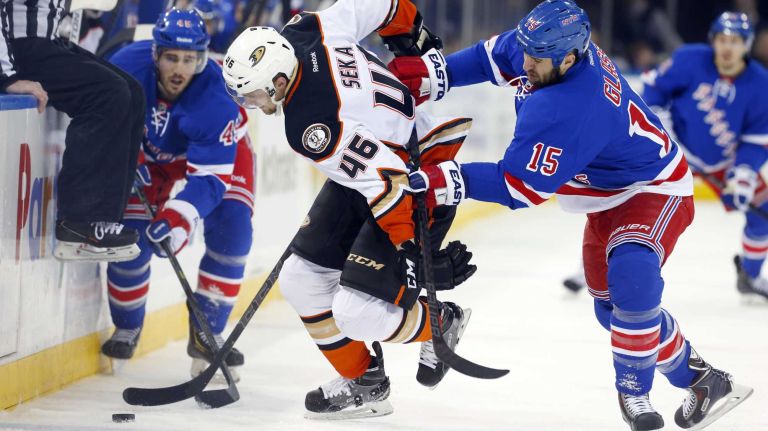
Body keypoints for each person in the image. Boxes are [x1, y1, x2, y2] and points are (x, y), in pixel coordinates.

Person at [389, 1, 753, 430]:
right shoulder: (545, 47)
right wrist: (434, 75)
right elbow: (490, 59)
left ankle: (634, 394)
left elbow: (519, 186)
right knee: (612, 312)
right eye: (526, 52)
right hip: (602, 195)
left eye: (536, 59)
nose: (525, 63)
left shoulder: (572, 105)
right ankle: (705, 381)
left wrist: (448, 177)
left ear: (569, 58)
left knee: (633, 277)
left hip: (652, 188)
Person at [222, 0, 477, 418]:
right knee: (300, 279)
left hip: (416, 182)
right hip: (379, 161)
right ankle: (365, 381)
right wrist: (409, 33)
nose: (250, 103)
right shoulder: (306, 30)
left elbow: (388, 183)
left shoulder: (311, 125)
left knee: (355, 314)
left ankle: (441, 322)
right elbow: (383, 4)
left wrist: (411, 249)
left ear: (279, 80)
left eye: (252, 94)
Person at [99, 8, 255, 382]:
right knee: (131, 239)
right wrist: (125, 157)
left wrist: (179, 220)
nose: (179, 70)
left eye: (189, 59)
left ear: (202, 58)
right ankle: (127, 325)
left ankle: (208, 334)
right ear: (156, 54)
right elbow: (100, 123)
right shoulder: (124, 68)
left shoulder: (217, 98)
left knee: (233, 230)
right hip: (150, 157)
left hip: (218, 156)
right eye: (171, 58)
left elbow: (210, 181)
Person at [0, 0, 144, 261]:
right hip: (19, 48)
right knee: (108, 94)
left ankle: (106, 220)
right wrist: (6, 75)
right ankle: (80, 221)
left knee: (133, 93)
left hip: (46, 40)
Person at [641, 12, 768, 301]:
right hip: (670, 152)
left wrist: (744, 175)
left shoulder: (762, 85)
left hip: (722, 162)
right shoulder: (690, 59)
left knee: (764, 212)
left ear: (747, 44)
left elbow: (755, 141)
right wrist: (658, 121)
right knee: (632, 203)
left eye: (735, 41)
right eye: (722, 39)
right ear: (713, 40)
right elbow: (654, 86)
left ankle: (750, 276)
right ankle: (595, 269)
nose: (727, 47)